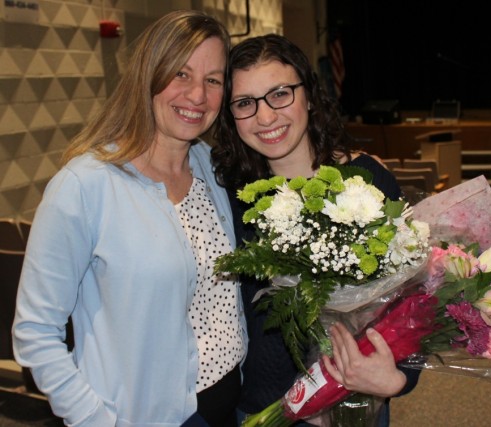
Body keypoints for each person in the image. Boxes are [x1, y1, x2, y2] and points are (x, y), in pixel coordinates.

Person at [12, 10, 247, 427]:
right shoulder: (86, 186)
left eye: (213, 80)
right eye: (181, 74)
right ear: (148, 76)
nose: (197, 95)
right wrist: (94, 420)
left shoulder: (213, 167)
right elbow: (35, 332)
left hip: (231, 406)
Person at [212, 34, 420, 426]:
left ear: (308, 94)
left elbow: (413, 299)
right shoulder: (231, 197)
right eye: (245, 103)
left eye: (279, 94)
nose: (266, 117)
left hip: (356, 402)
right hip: (265, 409)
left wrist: (398, 379)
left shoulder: (367, 182)